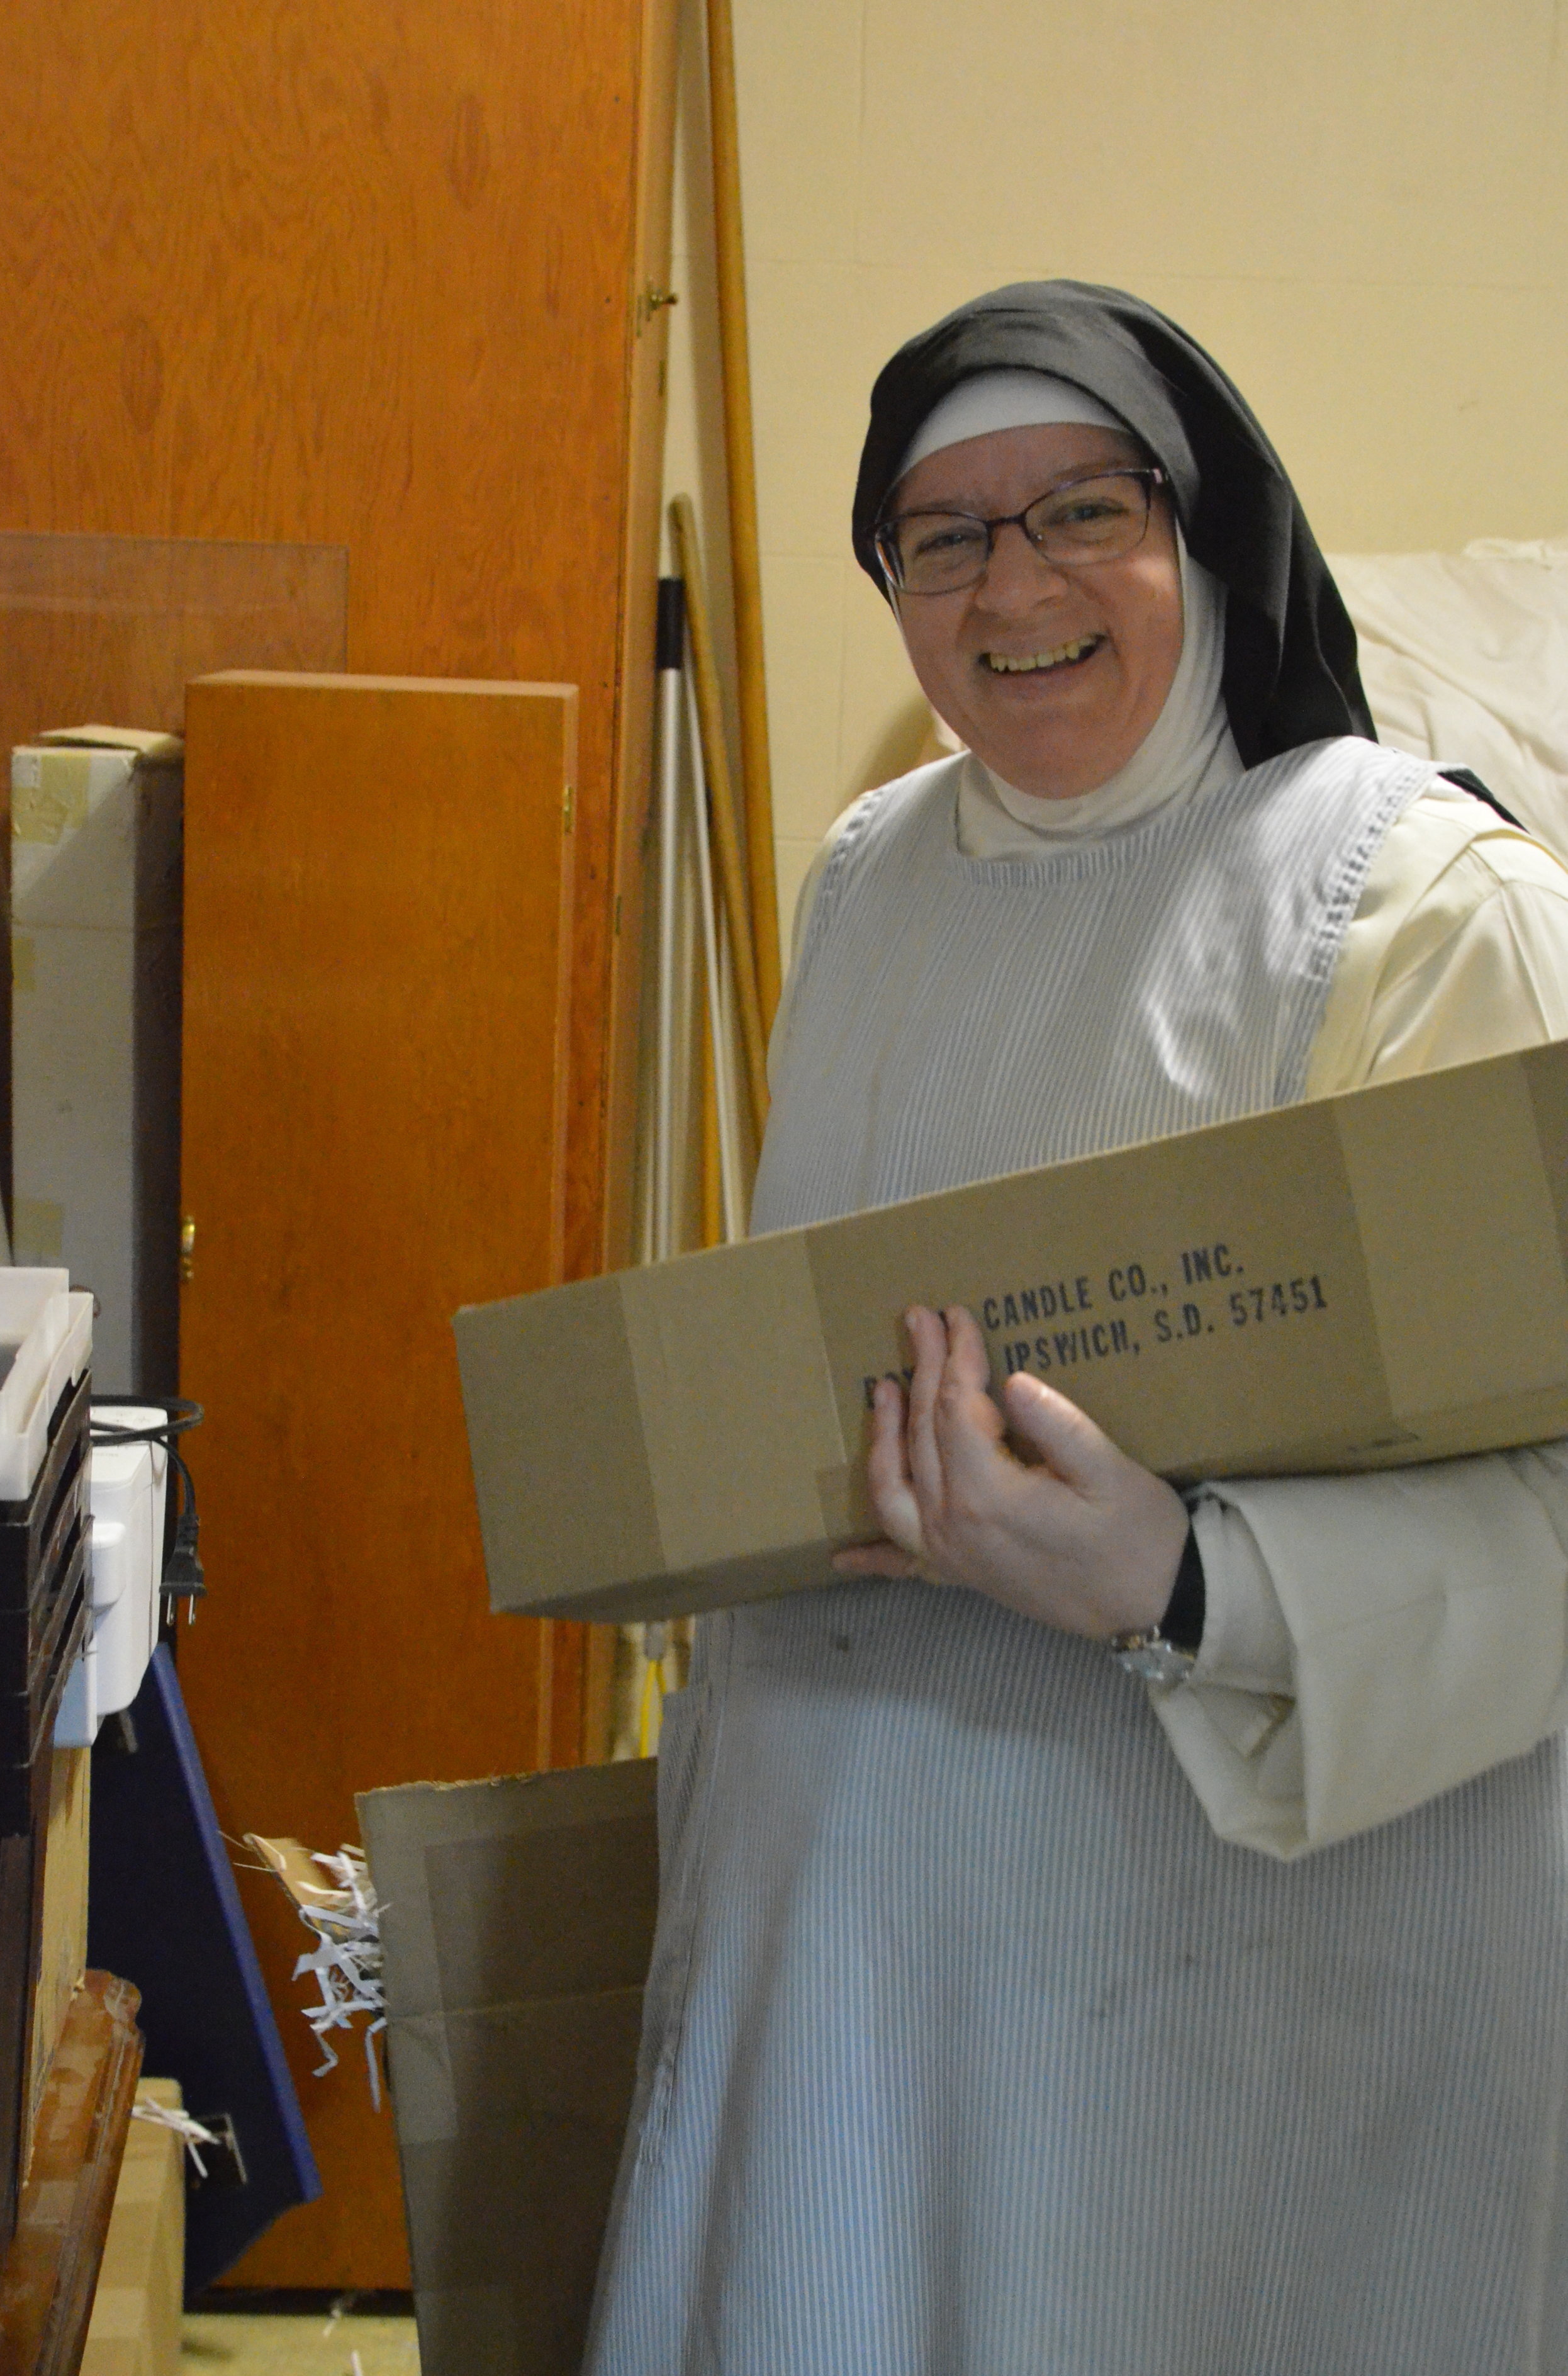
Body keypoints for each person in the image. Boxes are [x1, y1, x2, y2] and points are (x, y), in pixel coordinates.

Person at [585, 282, 1568, 2373]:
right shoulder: (874, 872)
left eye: (1076, 510)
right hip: (847, 1939)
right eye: (938, 536)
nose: (1007, 585)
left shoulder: (1424, 910)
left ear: (1201, 533)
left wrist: (1179, 1575)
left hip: (1221, 1992)